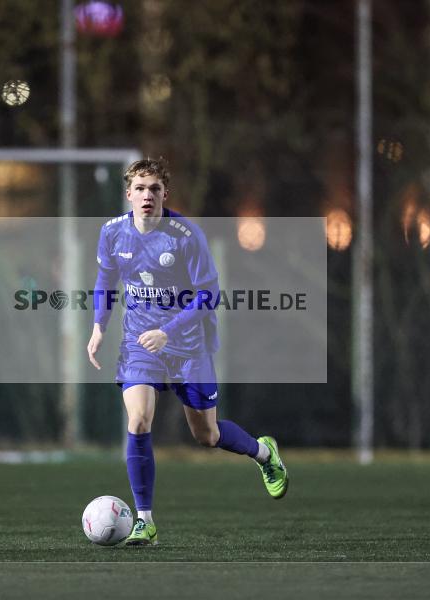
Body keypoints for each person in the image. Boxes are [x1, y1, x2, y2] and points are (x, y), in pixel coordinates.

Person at [87, 158, 288, 546]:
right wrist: (98, 327)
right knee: (140, 420)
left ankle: (264, 453)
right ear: (128, 194)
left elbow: (209, 295)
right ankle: (144, 520)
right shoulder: (112, 233)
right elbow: (106, 280)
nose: (147, 195)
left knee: (207, 435)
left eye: (155, 189)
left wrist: (168, 330)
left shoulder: (184, 236)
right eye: (140, 188)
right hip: (138, 344)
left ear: (165, 194)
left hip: (187, 345)